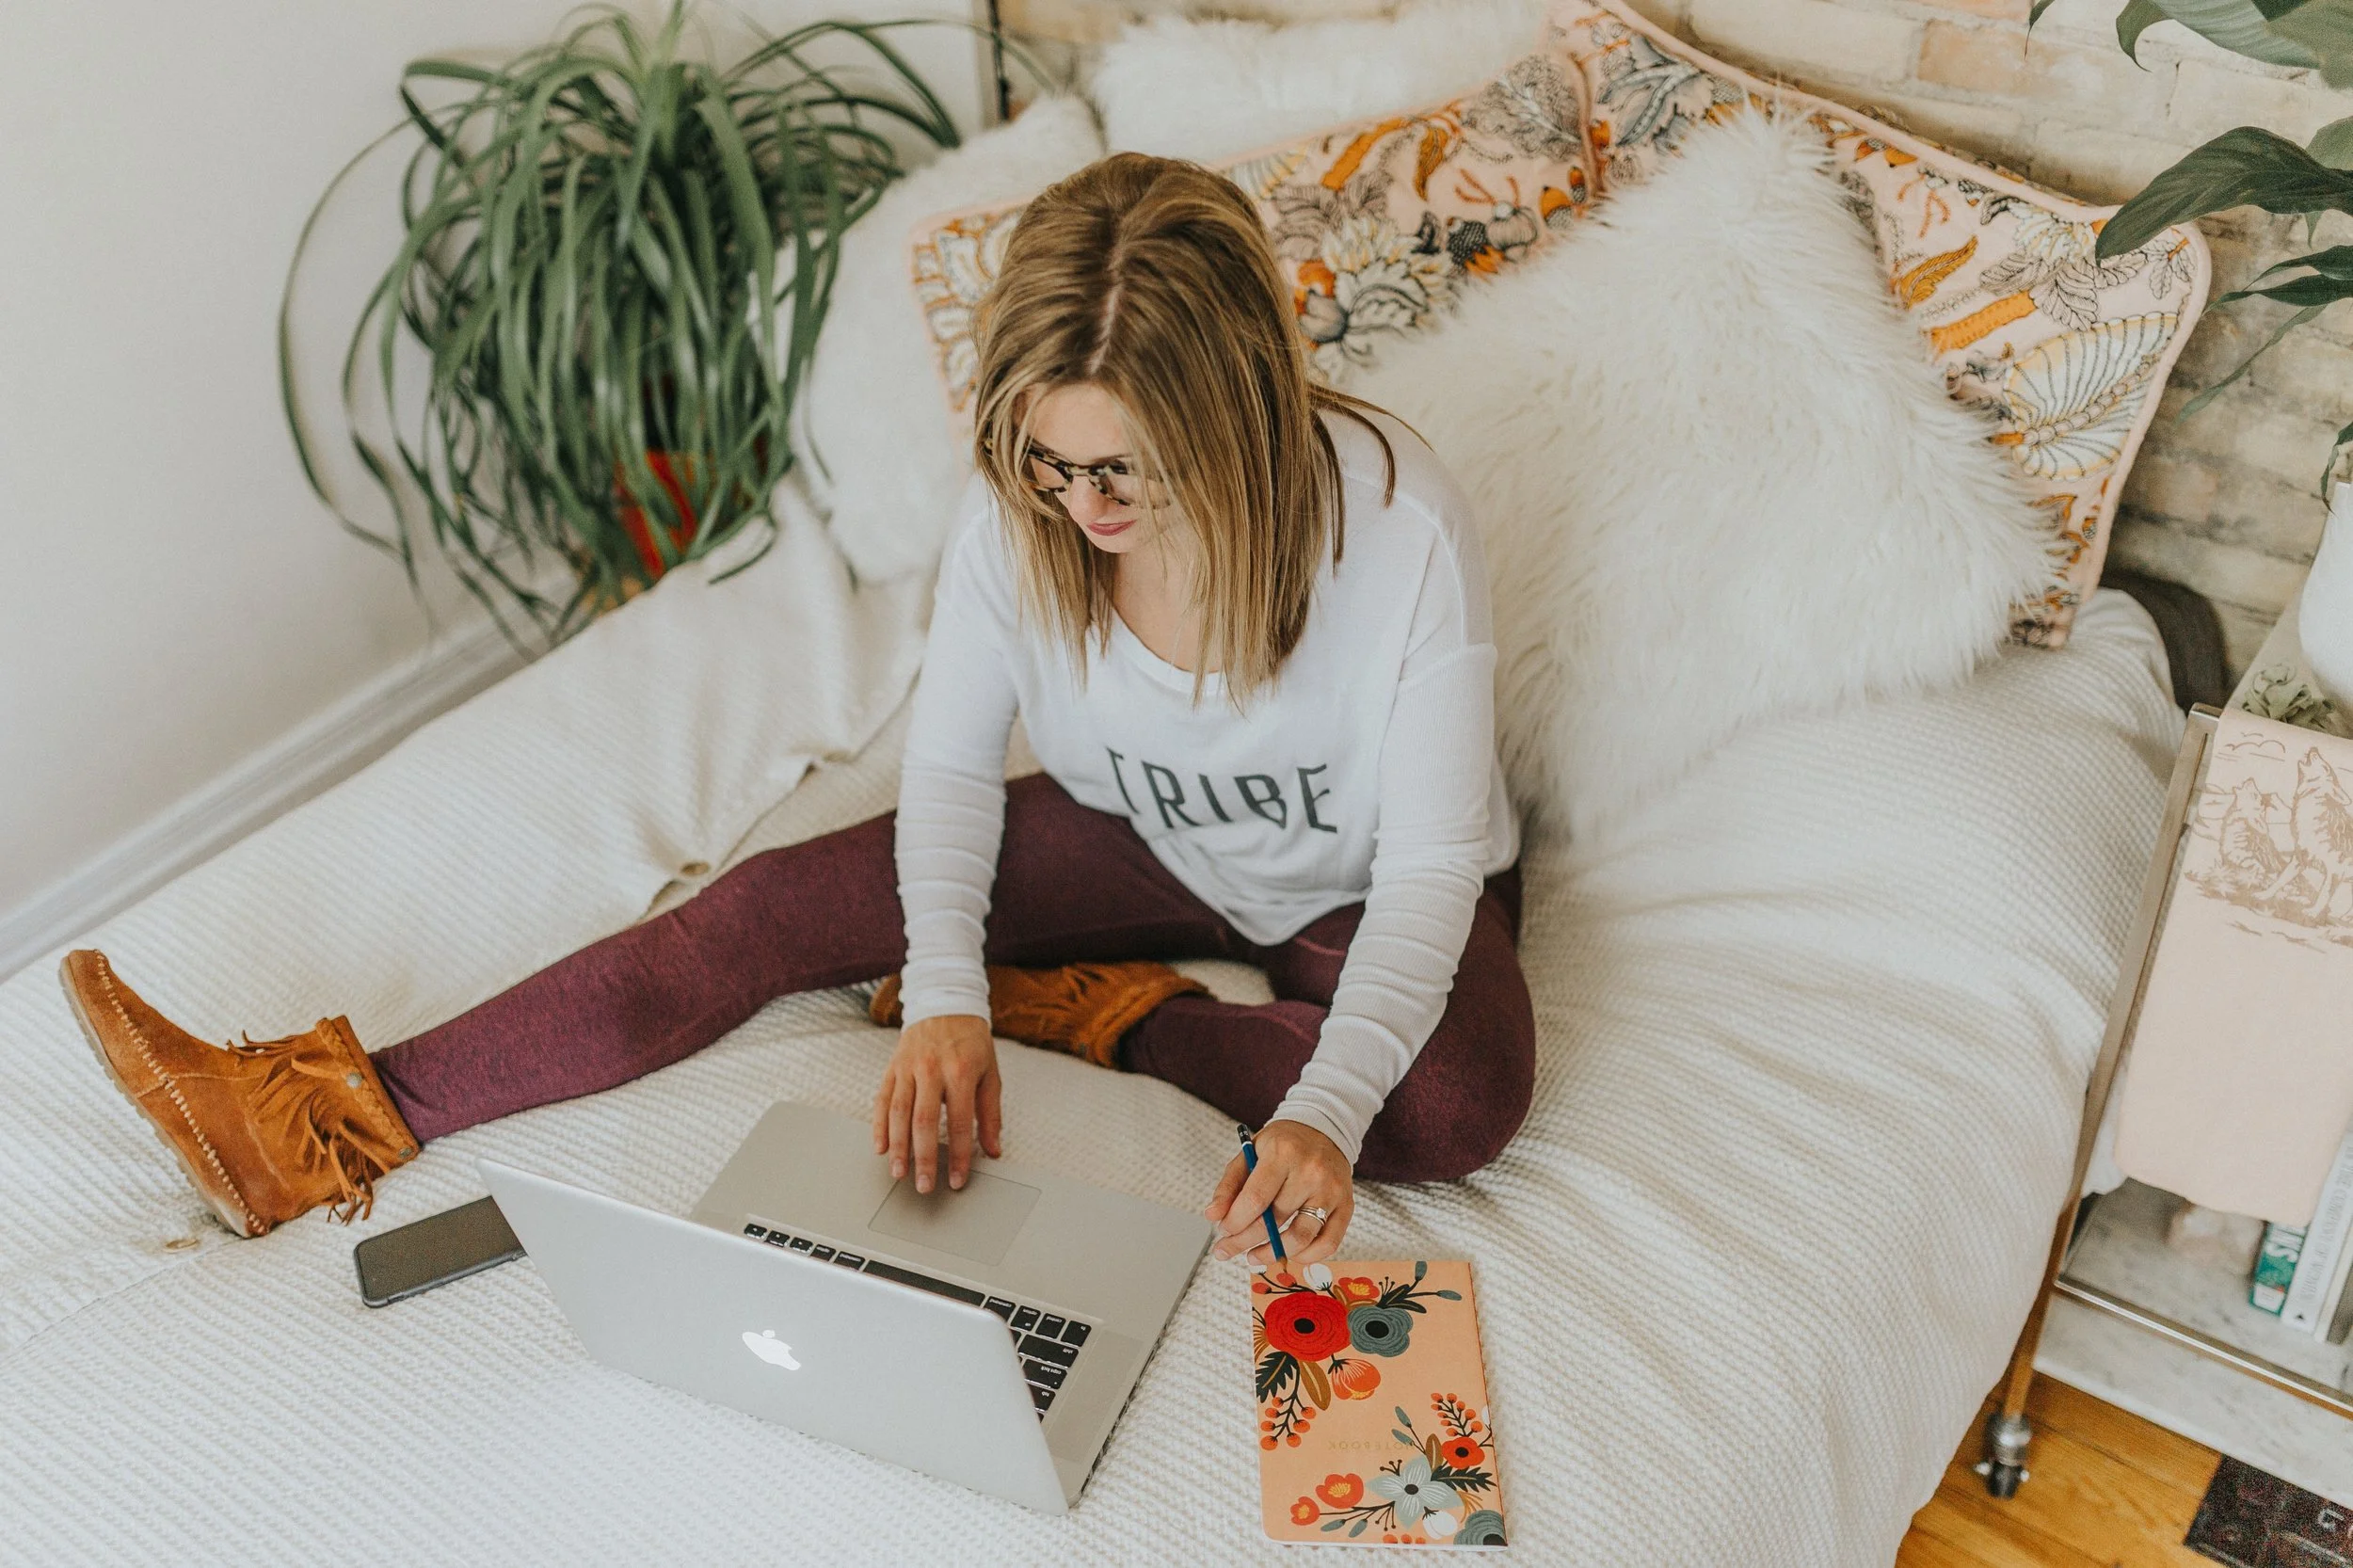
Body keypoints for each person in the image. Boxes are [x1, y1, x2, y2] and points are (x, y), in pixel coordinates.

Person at [60, 152, 1533, 1275]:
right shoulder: (1024, 524)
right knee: (758, 908)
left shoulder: (1399, 534)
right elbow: (951, 769)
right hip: (1147, 833)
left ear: (1234, 423)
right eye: (1046, 465)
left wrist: (1324, 1106)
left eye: (1122, 476)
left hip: (1372, 878)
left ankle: (1120, 1015)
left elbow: (1421, 875)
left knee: (1454, 1106)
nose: (1080, 513)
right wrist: (948, 996)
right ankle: (309, 1120)